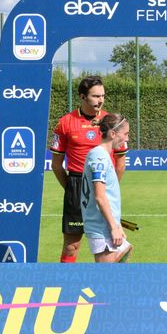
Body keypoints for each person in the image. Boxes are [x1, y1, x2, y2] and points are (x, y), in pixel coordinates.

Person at [50, 75, 127, 262]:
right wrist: (72, 188)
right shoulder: (65, 122)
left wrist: (109, 188)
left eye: (103, 96)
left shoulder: (111, 123)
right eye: (95, 96)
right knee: (72, 246)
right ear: (82, 96)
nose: (100, 100)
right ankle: (66, 280)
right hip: (77, 185)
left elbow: (120, 162)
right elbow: (56, 165)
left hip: (103, 185)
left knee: (111, 243)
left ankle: (107, 278)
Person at [79, 113, 133, 263]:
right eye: (126, 134)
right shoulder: (99, 157)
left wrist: (117, 225)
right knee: (106, 276)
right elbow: (100, 197)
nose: (127, 139)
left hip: (105, 227)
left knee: (114, 273)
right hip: (102, 229)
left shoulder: (101, 155)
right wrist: (114, 227)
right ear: (113, 134)